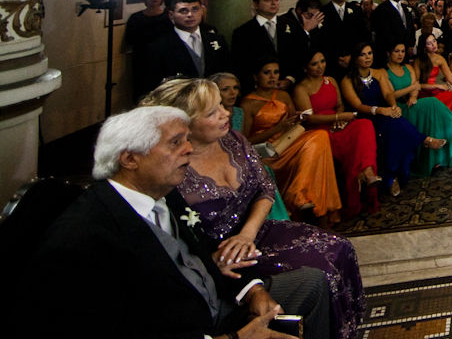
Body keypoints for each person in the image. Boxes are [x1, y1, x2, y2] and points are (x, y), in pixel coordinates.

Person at [31, 105, 332, 339]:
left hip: (219, 303)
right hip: (191, 326)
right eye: (176, 142)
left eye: (186, 140)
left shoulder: (167, 194)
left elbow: (204, 256)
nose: (188, 149)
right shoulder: (85, 236)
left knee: (312, 282)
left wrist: (252, 290)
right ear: (129, 159)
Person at [140, 79, 364, 339]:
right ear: (185, 125)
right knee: (321, 271)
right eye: (213, 112)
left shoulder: (233, 140)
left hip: (258, 230)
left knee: (340, 247)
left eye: (222, 106)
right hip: (226, 255)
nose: (227, 114)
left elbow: (265, 189)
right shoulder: (171, 171)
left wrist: (248, 233)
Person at [240, 58, 342, 222]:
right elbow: (246, 140)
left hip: (289, 142)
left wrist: (296, 121)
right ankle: (300, 198)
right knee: (315, 146)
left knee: (320, 137)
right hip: (268, 151)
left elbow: (296, 122)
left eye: (276, 72)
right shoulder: (248, 103)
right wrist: (277, 128)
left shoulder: (283, 95)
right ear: (256, 77)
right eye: (267, 73)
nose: (273, 77)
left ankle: (301, 194)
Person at [341, 42, 443, 196]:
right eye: (363, 54)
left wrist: (394, 107)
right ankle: (424, 141)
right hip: (366, 119)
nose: (367, 57)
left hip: (385, 113)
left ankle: (392, 177)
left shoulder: (378, 73)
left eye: (369, 53)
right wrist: (380, 110)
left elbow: (388, 94)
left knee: (396, 121)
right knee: (393, 126)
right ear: (355, 58)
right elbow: (358, 106)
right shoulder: (347, 80)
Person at [291, 49, 381, 217]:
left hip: (338, 124)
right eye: (314, 64)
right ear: (305, 68)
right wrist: (337, 117)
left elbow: (339, 104)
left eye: (322, 62)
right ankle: (360, 177)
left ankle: (368, 172)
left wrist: (340, 119)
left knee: (364, 125)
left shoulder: (331, 80)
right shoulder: (301, 88)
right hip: (320, 131)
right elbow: (308, 119)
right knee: (343, 142)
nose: (320, 67)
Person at [208, 71, 290, 220]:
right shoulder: (209, 117)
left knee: (262, 168)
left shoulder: (239, 112)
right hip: (220, 162)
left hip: (241, 159)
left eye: (235, 88)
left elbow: (245, 142)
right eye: (225, 89)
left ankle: (276, 217)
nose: (232, 93)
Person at [383, 40, 452, 176]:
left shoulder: (407, 68)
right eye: (396, 51)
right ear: (389, 53)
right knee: (432, 103)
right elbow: (391, 94)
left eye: (402, 51)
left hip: (411, 102)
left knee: (433, 108)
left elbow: (416, 86)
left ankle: (438, 157)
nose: (400, 55)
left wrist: (413, 95)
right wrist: (412, 89)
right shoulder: (384, 72)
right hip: (397, 108)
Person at [142, 0, 232, 97]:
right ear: (171, 15)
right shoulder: (159, 46)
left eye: (195, 9)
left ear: (202, 11)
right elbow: (152, 84)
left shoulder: (216, 39)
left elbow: (226, 73)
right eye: (183, 11)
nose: (190, 15)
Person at [232, 0, 285, 90]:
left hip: (286, 86)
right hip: (257, 89)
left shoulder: (290, 25)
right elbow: (241, 64)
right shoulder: (243, 32)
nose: (273, 3)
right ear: (256, 4)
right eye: (267, 0)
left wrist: (289, 79)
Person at [124, 0, 171, 91]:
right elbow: (130, 38)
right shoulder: (136, 17)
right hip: (142, 55)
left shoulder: (167, 16)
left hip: (163, 54)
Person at [320, 0, 371, 65]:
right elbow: (322, 41)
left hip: (354, 60)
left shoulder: (356, 10)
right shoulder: (323, 12)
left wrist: (352, 56)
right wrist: (336, 57)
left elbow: (363, 35)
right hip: (332, 62)